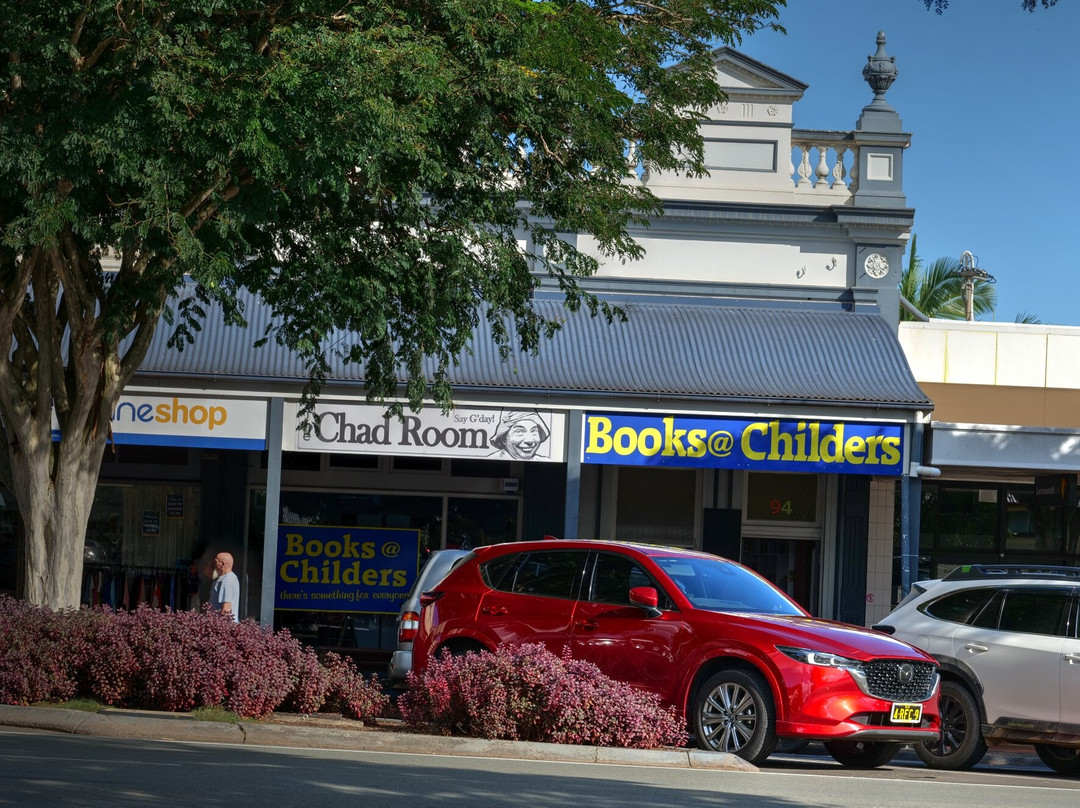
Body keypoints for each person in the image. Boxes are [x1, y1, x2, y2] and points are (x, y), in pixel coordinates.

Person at [209, 551, 240, 622]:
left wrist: (221, 628)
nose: (213, 565)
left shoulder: (227, 580)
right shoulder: (230, 578)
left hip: (222, 627)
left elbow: (226, 608)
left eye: (215, 562)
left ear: (222, 564)